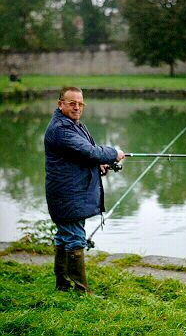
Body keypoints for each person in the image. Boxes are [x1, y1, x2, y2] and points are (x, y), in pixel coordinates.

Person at [44, 86, 125, 293]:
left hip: (70, 192)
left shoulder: (74, 125)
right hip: (67, 194)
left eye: (80, 104)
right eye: (72, 103)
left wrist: (98, 164)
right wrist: (113, 153)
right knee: (75, 238)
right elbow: (89, 151)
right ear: (60, 104)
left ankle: (63, 285)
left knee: (65, 236)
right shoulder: (61, 129)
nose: (77, 107)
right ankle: (81, 291)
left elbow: (80, 155)